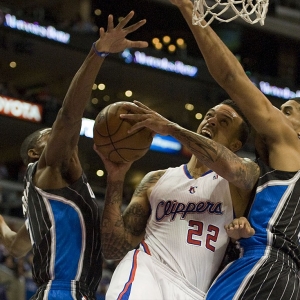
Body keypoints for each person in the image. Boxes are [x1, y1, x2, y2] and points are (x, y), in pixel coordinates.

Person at [0, 11, 148, 299]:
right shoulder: (48, 169)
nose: (59, 139)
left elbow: (15, 247)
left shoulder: (38, 209)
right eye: (48, 135)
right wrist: (97, 53)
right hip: (64, 292)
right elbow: (68, 117)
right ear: (34, 153)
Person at [168, 0, 300, 299]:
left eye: (288, 111)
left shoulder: (292, 144)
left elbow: (232, 78)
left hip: (261, 265)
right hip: (285, 280)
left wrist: (190, 10)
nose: (279, 113)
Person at [96, 98, 259, 300]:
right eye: (209, 115)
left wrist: (171, 128)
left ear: (235, 145)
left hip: (195, 292)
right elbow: (114, 248)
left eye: (224, 121)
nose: (212, 121)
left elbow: (236, 170)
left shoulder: (240, 179)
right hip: (149, 270)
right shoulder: (155, 179)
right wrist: (116, 177)